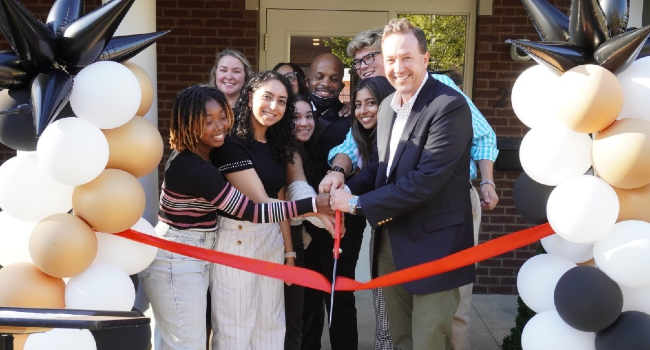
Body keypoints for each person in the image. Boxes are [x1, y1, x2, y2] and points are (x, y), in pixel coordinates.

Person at [326, 27, 499, 350]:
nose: (398, 67)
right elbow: (384, 167)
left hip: (436, 243)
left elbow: (424, 181)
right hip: (393, 238)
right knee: (401, 338)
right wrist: (342, 182)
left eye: (407, 57)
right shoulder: (389, 104)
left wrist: (355, 203)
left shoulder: (449, 104)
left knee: (430, 339)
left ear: (425, 58)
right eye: (391, 59)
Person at [140, 84, 331, 350]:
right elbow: (252, 211)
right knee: (187, 345)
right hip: (176, 259)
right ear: (187, 124)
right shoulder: (192, 166)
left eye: (222, 116)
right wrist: (312, 205)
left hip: (196, 255)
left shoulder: (207, 156)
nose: (219, 126)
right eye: (207, 121)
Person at [210, 71, 326, 350]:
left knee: (271, 329)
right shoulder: (230, 144)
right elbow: (261, 203)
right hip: (236, 241)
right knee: (235, 332)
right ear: (250, 98)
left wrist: (288, 252)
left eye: (282, 101)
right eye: (267, 97)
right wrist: (313, 208)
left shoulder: (277, 144)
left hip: (272, 240)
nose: (274, 107)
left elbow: (280, 195)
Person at [301, 53, 365, 350]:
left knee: (340, 297)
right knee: (306, 298)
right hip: (300, 218)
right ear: (308, 79)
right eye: (319, 76)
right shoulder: (291, 113)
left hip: (342, 223)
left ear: (343, 83)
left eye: (334, 78)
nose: (326, 84)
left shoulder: (353, 118)